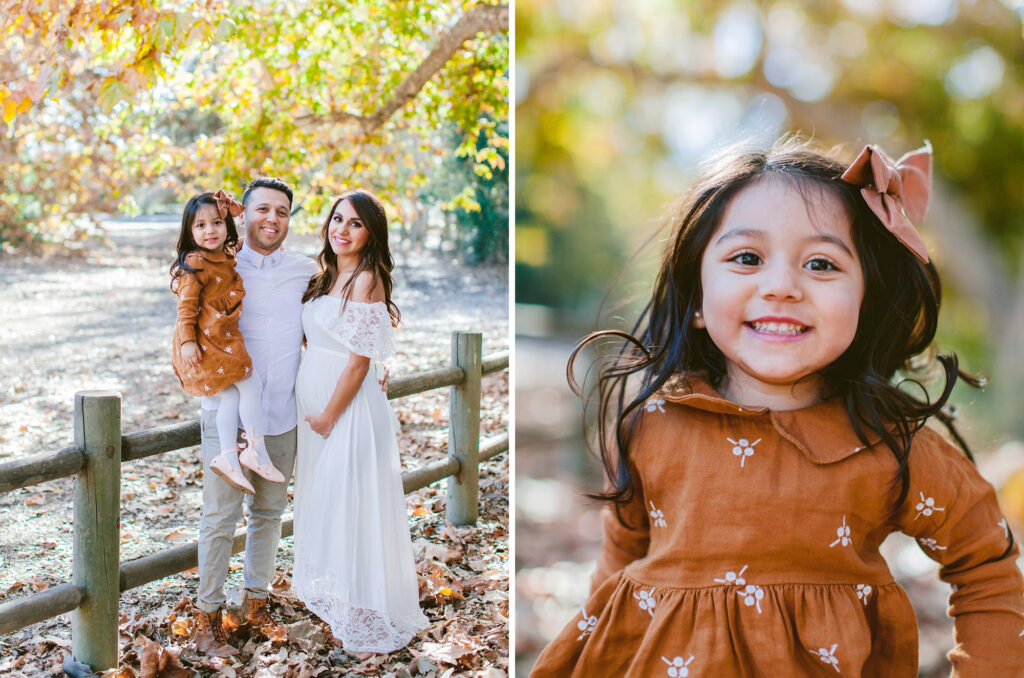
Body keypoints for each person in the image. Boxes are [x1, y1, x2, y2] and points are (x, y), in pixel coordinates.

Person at [529, 138, 1024, 676]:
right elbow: (618, 568)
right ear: (696, 296)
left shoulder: (891, 446)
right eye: (747, 258)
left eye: (821, 263)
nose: (782, 287)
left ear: (865, 299)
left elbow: (985, 567)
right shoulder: (648, 425)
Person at [292, 188, 428, 654]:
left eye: (354, 223)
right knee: (324, 501)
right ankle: (337, 599)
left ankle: (364, 618)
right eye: (336, 219)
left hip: (345, 409)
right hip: (315, 405)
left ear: (371, 233)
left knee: (350, 502)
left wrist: (330, 414)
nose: (341, 230)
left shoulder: (368, 278)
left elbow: (355, 363)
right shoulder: (325, 276)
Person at [190, 177, 317, 647]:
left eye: (282, 211)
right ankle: (207, 613)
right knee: (220, 517)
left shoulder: (306, 270)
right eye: (262, 209)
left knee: (267, 513)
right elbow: (183, 301)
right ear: (242, 214)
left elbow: (344, 317)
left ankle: (256, 603)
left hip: (281, 414)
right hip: (226, 414)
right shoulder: (218, 265)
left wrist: (377, 365)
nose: (272, 219)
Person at [171, 191, 286, 497]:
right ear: (189, 232)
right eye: (200, 226)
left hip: (221, 338)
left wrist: (233, 210)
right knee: (251, 384)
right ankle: (255, 448)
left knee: (230, 399)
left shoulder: (225, 255)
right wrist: (186, 343)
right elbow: (185, 309)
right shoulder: (195, 263)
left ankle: (227, 455)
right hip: (205, 343)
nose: (210, 231)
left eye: (217, 223)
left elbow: (241, 222)